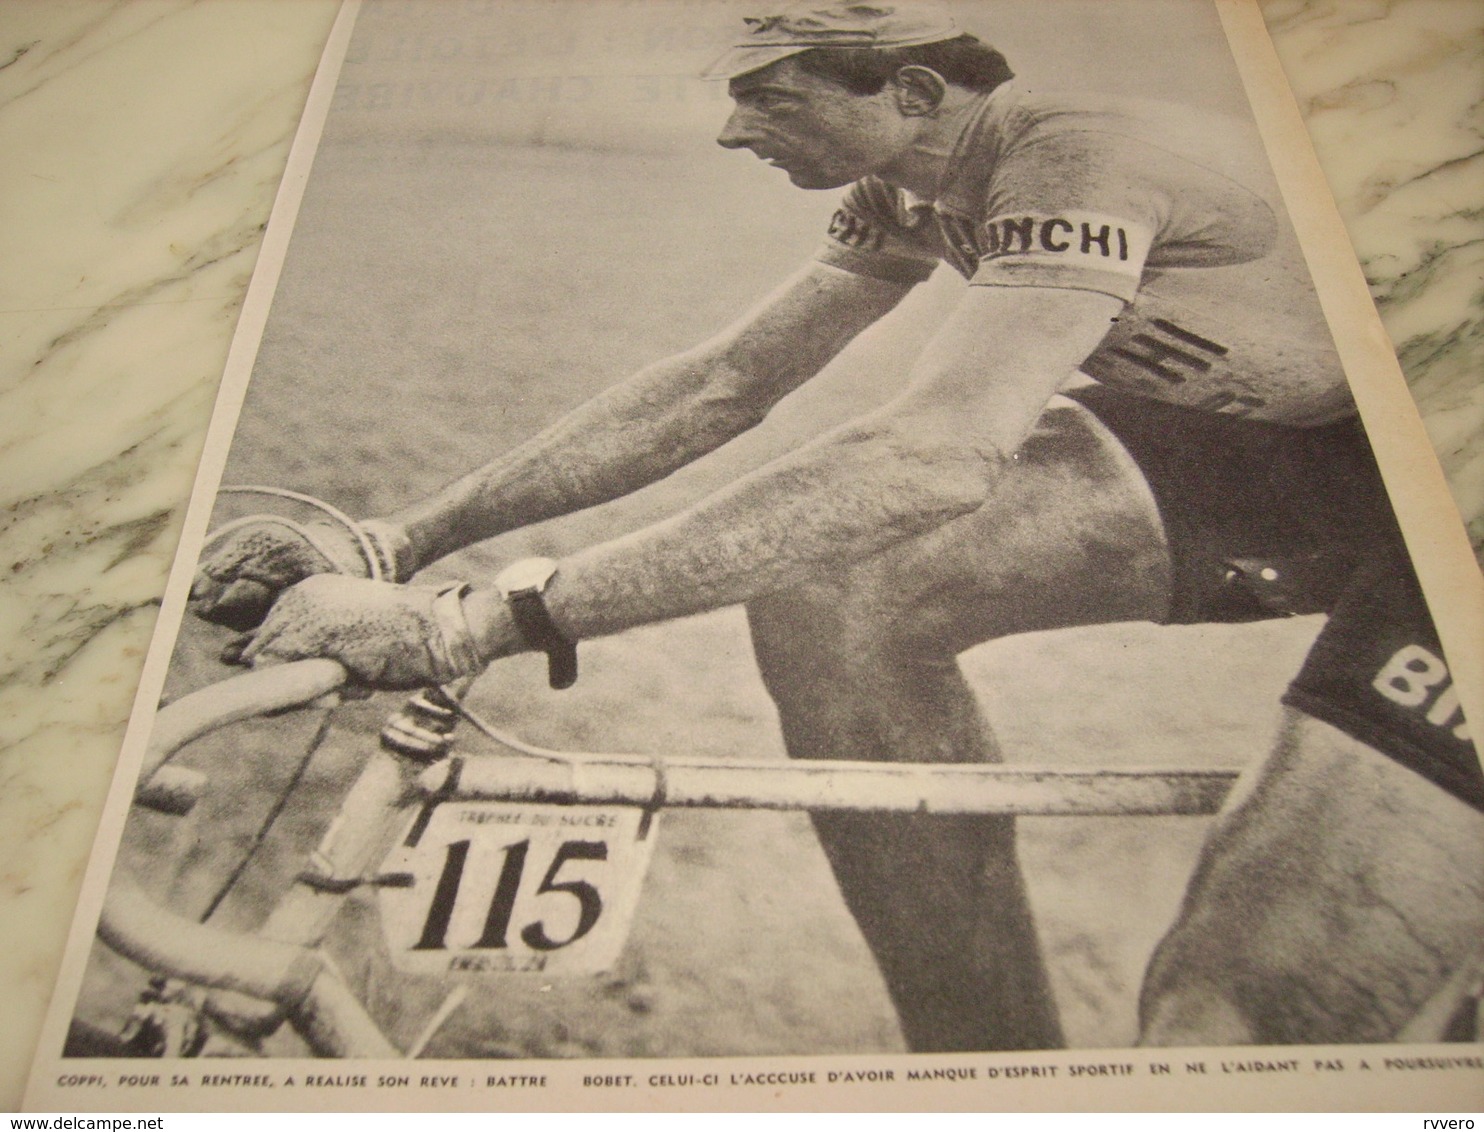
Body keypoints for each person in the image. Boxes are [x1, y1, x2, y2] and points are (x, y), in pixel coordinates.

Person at [191, 3, 1484, 1050]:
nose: (730, 128)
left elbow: (931, 453)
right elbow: (727, 382)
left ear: (911, 92)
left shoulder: (1079, 158)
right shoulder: (912, 188)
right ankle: (991, 1077)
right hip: (1307, 438)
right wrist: (401, 543)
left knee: (1229, 1025)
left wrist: (492, 619)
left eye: (770, 92)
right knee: (839, 600)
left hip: (1447, 474)